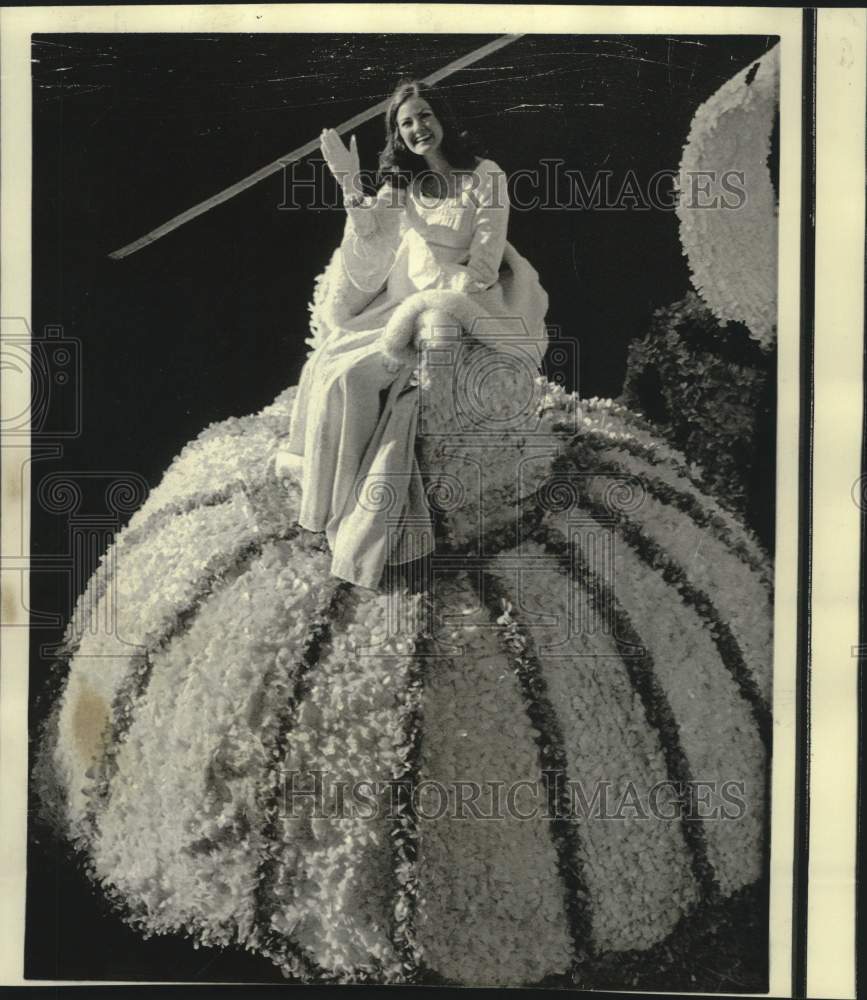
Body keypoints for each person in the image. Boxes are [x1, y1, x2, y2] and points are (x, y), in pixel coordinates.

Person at [274, 79, 550, 590]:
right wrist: (349, 183)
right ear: (397, 135)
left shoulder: (485, 175)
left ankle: (359, 520)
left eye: (424, 115)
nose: (418, 128)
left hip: (459, 302)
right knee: (336, 371)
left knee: (365, 378)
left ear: (441, 118)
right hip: (398, 305)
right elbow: (371, 241)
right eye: (406, 123)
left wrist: (433, 302)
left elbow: (485, 264)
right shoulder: (403, 183)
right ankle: (333, 510)